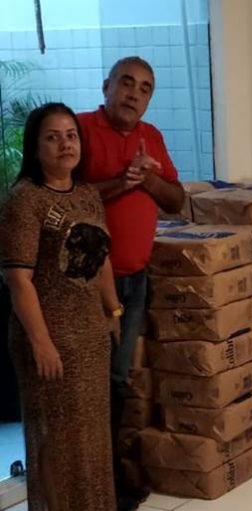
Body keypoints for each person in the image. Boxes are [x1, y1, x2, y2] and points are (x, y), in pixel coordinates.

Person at [0, 102, 122, 511]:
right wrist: (41, 342)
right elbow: (18, 279)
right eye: (52, 137)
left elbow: (101, 257)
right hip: (50, 339)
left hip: (89, 337)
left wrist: (113, 309)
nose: (65, 144)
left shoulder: (87, 194)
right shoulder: (25, 201)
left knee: (91, 439)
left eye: (71, 135)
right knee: (56, 439)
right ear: (36, 149)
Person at [77, 56, 184, 511]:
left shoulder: (151, 136)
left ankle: (112, 475)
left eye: (145, 88)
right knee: (88, 382)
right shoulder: (80, 130)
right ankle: (89, 478)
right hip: (86, 286)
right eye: (126, 83)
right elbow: (65, 198)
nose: (134, 94)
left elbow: (176, 200)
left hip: (133, 283)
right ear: (106, 86)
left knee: (116, 381)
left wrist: (149, 178)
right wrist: (124, 180)